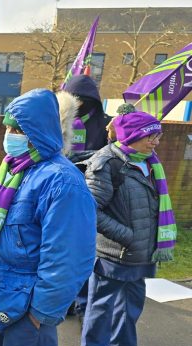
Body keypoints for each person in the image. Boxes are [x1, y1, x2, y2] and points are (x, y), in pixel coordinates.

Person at [0, 89, 96, 346]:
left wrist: (40, 315)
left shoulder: (61, 181)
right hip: (6, 303)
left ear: (38, 131)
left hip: (28, 313)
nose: (9, 135)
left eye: (18, 129)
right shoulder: (16, 169)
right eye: (8, 127)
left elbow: (69, 259)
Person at [79, 105, 176, 346]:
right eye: (152, 137)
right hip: (115, 251)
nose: (156, 142)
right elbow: (91, 211)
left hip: (141, 252)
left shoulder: (149, 161)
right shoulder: (106, 163)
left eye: (158, 136)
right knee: (102, 304)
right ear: (133, 136)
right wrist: (127, 236)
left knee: (132, 302)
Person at [61, 74, 113, 320]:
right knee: (64, 251)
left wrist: (86, 159)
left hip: (92, 195)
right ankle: (66, 300)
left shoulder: (104, 124)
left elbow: (110, 155)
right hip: (62, 194)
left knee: (85, 252)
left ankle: (82, 301)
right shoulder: (61, 121)